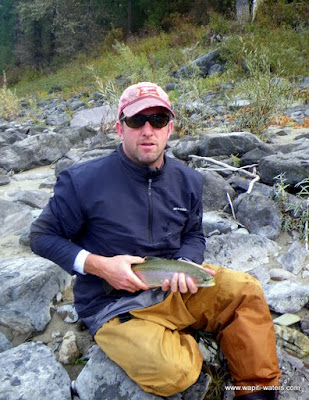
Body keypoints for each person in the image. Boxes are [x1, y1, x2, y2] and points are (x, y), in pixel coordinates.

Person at [30, 82, 281, 399]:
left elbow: (193, 234)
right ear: (120, 128)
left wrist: (187, 264)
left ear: (170, 128)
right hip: (113, 304)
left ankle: (256, 391)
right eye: (137, 121)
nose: (148, 130)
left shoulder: (187, 179)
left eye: (158, 120)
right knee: (175, 373)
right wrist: (99, 266)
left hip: (173, 286)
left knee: (245, 290)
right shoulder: (82, 181)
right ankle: (195, 342)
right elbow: (41, 236)